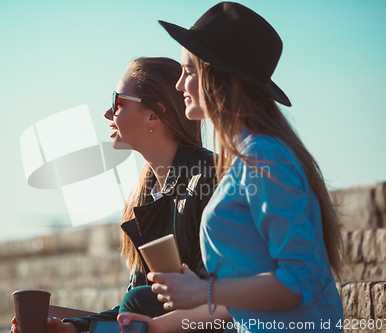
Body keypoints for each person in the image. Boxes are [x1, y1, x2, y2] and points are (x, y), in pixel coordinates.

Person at [118, 2, 344, 333]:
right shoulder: (247, 158)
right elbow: (244, 303)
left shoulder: (264, 158)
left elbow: (300, 280)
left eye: (189, 71)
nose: (180, 84)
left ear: (223, 79)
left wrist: (203, 290)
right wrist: (159, 324)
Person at [11, 57, 221, 333]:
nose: (108, 114)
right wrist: (73, 329)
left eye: (118, 102)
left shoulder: (210, 177)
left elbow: (217, 301)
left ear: (154, 115)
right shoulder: (144, 195)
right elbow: (133, 308)